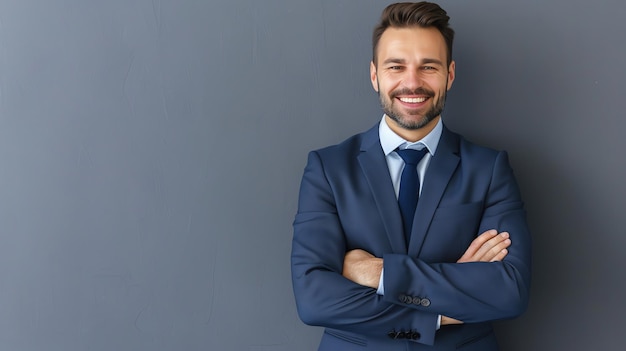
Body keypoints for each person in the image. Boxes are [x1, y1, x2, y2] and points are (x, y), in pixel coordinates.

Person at [291, 2, 531, 350]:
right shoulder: (327, 169)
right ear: (375, 75)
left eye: (428, 66)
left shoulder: (490, 168)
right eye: (396, 66)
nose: (412, 82)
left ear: (449, 74)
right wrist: (438, 314)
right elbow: (314, 297)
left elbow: (509, 291)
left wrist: (379, 273)